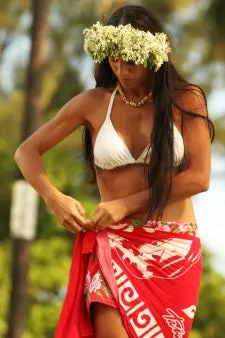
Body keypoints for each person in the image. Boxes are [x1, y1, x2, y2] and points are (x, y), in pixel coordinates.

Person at [14, 5, 214, 338]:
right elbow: (26, 151)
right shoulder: (93, 103)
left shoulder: (185, 99)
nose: (121, 69)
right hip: (114, 245)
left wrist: (125, 204)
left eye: (131, 60)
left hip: (172, 248)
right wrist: (55, 198)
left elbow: (199, 178)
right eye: (113, 59)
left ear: (152, 55)